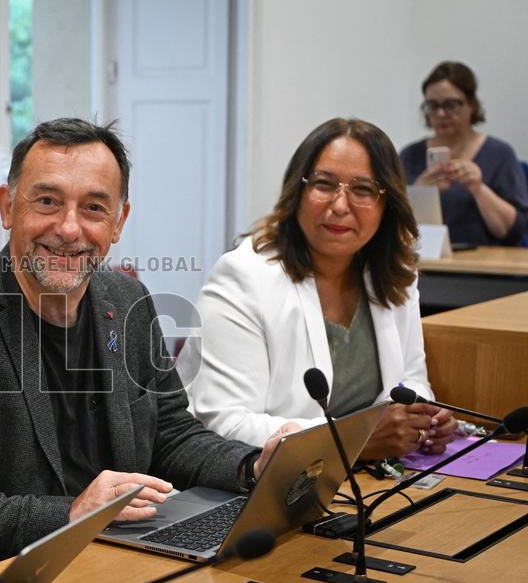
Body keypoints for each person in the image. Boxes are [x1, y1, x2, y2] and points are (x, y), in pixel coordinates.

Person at [0, 118, 282, 574]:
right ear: (7, 206)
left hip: (124, 563)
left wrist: (251, 466)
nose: (70, 228)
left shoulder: (128, 301)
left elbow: (170, 435)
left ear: (118, 222)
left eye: (94, 207)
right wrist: (71, 514)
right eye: (48, 201)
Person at [176, 118, 461, 464]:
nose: (340, 205)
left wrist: (422, 421)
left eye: (363, 189)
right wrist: (356, 440)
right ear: (297, 191)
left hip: (363, 479)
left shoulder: (393, 273)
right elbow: (223, 423)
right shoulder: (243, 276)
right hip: (255, 486)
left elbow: (411, 378)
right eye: (324, 184)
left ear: (388, 204)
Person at [399, 61, 528, 246]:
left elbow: (513, 230)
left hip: (484, 268)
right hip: (424, 264)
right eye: (432, 106)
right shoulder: (410, 155)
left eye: (451, 105)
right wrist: (419, 193)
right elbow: (392, 225)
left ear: (471, 105)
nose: (441, 113)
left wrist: (478, 188)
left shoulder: (499, 154)